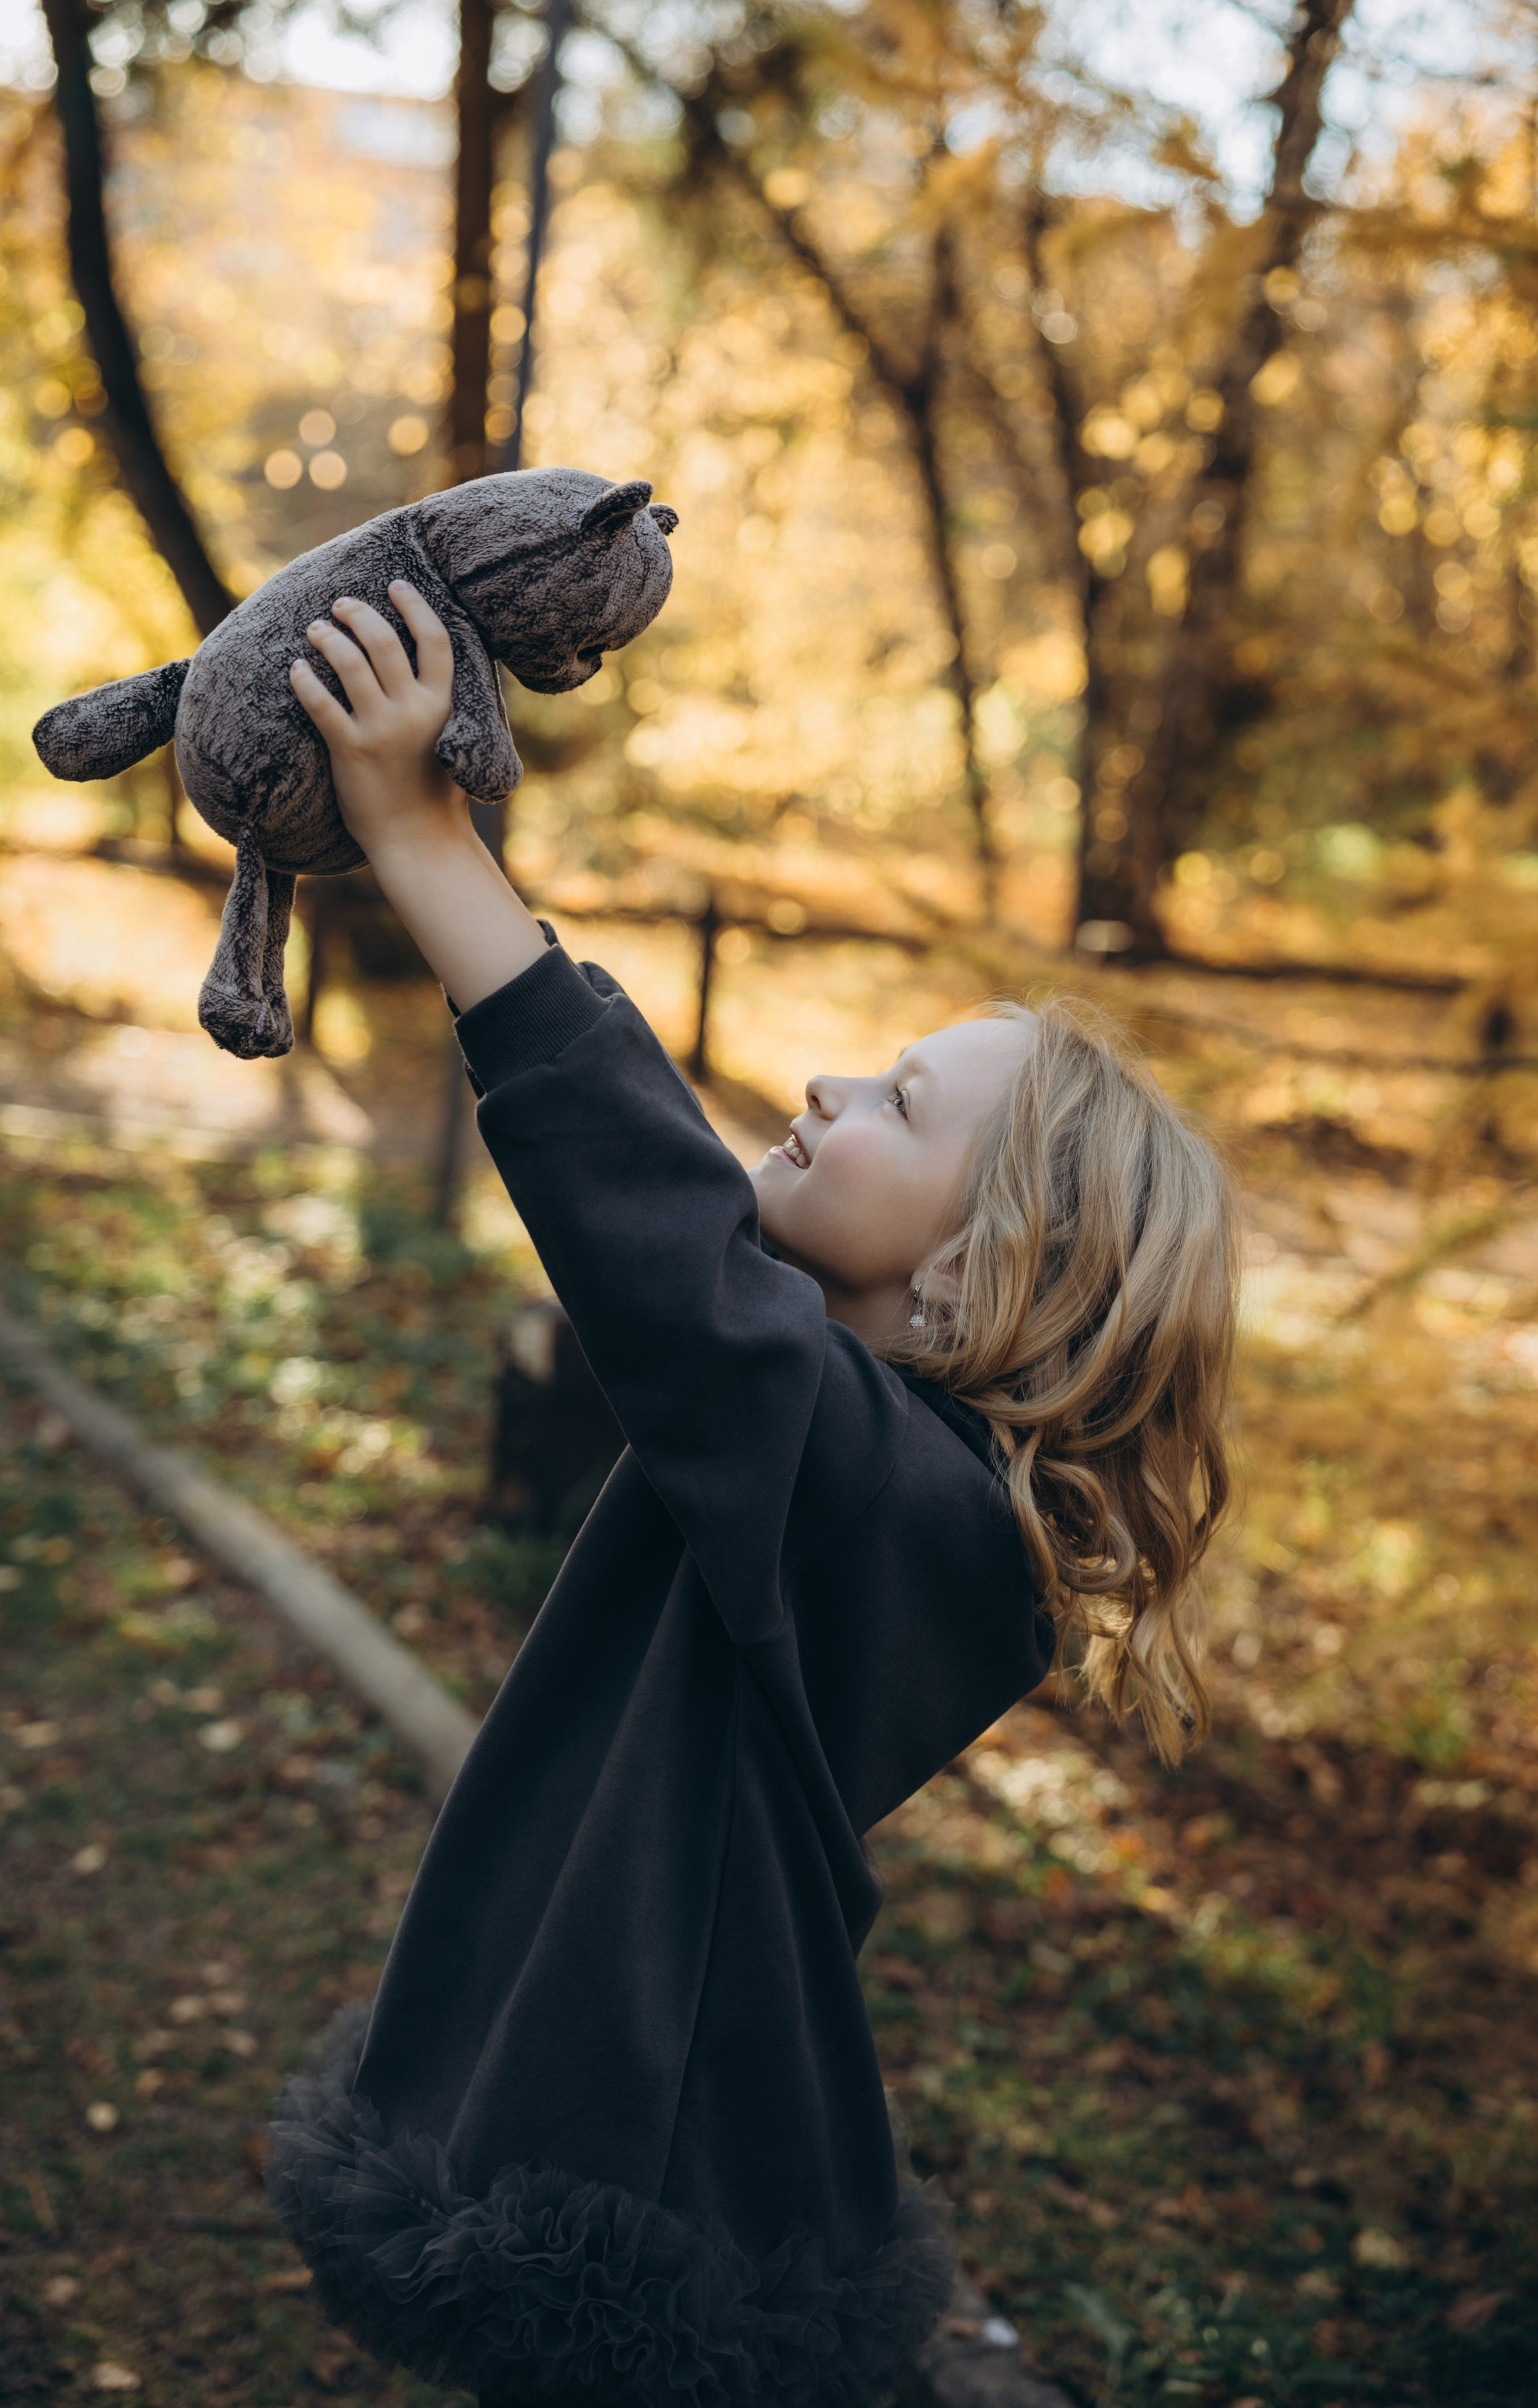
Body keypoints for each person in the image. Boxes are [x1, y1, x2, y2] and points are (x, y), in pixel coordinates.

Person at [265, 583, 1238, 2408]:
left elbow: (660, 1237)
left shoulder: (894, 1507)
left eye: (898, 1102)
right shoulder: (856, 1458)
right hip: (650, 2076)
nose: (823, 1078)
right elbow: (705, 1292)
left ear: (981, 1272)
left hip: (655, 2133)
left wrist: (421, 835)